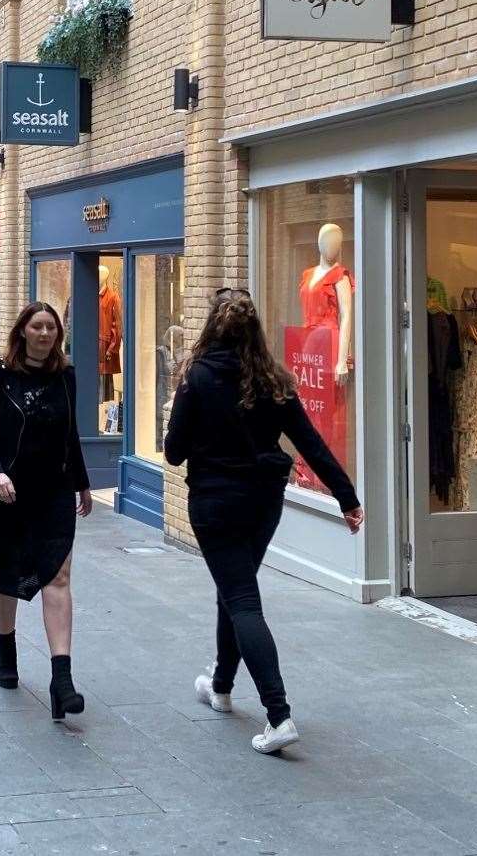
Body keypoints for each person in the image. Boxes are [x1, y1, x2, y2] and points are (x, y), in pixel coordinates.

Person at [163, 293, 365, 755]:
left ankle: (278, 715)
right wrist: (347, 499)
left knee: (241, 598)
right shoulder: (273, 381)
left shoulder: (196, 378)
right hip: (262, 503)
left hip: (215, 503)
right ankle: (220, 686)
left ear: (211, 329)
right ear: (256, 334)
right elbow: (311, 443)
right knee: (233, 589)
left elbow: (173, 452)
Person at [0, 302, 91, 721]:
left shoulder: (66, 375)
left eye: (51, 328)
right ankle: (6, 643)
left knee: (57, 575)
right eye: (37, 326)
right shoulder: (0, 375)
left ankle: (62, 677)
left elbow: (70, 432)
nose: (45, 334)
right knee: (6, 572)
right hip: (7, 492)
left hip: (54, 490)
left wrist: (81, 481)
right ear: (22, 331)